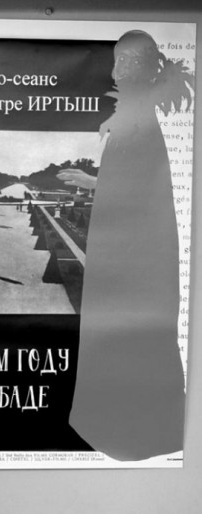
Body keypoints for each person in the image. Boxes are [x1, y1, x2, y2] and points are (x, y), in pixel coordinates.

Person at [57, 31, 193, 461]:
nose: (115, 70)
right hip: (137, 264)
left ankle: (128, 434)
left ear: (135, 68)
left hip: (133, 269)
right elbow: (135, 187)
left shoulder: (137, 123)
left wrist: (90, 183)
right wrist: (95, 182)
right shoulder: (138, 120)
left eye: (122, 62)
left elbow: (135, 195)